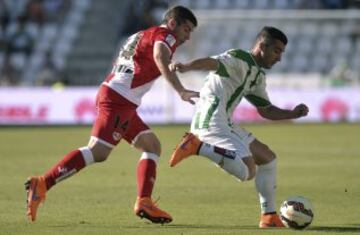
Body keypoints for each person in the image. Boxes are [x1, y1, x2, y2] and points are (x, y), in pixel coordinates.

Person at [25, 5, 198, 224]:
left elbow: (145, 58)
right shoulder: (166, 36)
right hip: (119, 99)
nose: (188, 37)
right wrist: (180, 90)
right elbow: (158, 55)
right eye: (187, 29)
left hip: (119, 96)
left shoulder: (142, 34)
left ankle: (144, 201)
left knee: (152, 145)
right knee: (98, 152)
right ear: (173, 24)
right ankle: (42, 183)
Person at [169, 26, 309, 228]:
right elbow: (213, 63)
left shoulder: (257, 76)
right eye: (277, 51)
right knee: (247, 172)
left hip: (224, 122)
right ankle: (196, 146)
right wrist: (187, 66)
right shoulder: (238, 58)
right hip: (210, 122)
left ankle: (269, 217)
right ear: (262, 46)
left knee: (267, 158)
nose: (279, 58)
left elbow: (266, 110)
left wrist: (292, 114)